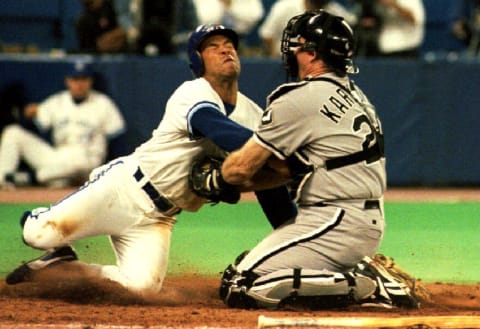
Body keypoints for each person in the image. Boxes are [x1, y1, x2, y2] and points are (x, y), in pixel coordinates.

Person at [5, 24, 296, 294]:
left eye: (229, 44)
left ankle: (65, 268)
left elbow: (270, 190)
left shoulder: (254, 116)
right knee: (38, 234)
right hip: (124, 188)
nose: (225, 49)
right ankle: (47, 231)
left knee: (141, 289)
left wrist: (291, 238)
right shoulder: (192, 92)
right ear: (197, 61)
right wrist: (279, 154)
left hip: (159, 217)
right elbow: (217, 129)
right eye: (213, 46)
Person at [216, 10, 419, 309]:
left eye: (298, 45)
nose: (293, 52)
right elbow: (295, 169)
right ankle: (354, 271)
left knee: (241, 286)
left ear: (312, 53)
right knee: (245, 269)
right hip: (354, 218)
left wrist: (215, 179)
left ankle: (369, 286)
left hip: (335, 220)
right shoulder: (356, 94)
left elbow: (238, 170)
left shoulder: (299, 98)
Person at [0, 60, 126, 189]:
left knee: (75, 160)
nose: (79, 84)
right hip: (58, 159)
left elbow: (117, 140)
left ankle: (30, 177)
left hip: (86, 161)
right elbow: (36, 126)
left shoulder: (103, 103)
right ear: (68, 81)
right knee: (13, 132)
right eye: (75, 79)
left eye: (84, 79)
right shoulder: (57, 101)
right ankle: (4, 179)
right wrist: (28, 115)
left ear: (90, 81)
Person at [259, 0, 356, 57]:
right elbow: (267, 33)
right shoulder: (286, 6)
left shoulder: (333, 9)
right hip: (286, 59)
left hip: (319, 63)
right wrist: (275, 57)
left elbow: (352, 23)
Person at [351, 0, 425, 57]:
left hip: (405, 52)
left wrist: (393, 4)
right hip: (382, 51)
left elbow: (414, 19)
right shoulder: (376, 4)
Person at [193, 0, 264, 42]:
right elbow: (198, 19)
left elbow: (257, 15)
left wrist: (230, 7)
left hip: (241, 38)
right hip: (205, 39)